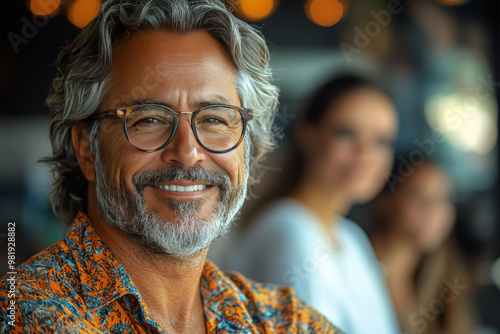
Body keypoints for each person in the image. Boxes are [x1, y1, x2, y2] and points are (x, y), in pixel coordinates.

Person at [0, 1, 342, 333]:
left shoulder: (282, 321)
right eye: (149, 119)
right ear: (87, 149)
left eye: (214, 119)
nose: (188, 152)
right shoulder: (26, 315)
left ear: (248, 148)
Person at [219, 75, 400, 333]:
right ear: (307, 133)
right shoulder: (289, 229)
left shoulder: (351, 238)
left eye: (381, 141)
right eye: (347, 133)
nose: (365, 153)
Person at [370, 159, 476, 334]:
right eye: (418, 195)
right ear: (385, 201)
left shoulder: (445, 278)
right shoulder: (358, 265)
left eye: (444, 199)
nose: (433, 209)